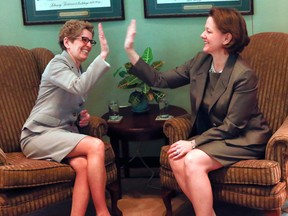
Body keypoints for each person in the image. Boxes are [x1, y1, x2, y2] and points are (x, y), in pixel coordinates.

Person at [124, 7, 271, 216]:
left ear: (227, 37)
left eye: (209, 31)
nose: (202, 35)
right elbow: (161, 79)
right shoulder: (200, 61)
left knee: (192, 160)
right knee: (175, 156)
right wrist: (130, 51)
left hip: (243, 137)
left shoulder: (243, 75)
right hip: (216, 136)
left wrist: (193, 142)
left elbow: (232, 126)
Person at [20, 20, 111, 216]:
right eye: (83, 39)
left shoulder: (77, 69)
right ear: (67, 42)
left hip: (59, 134)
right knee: (96, 145)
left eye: (91, 41)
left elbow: (66, 103)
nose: (88, 45)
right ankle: (103, 212)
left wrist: (79, 118)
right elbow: (78, 87)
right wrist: (102, 55)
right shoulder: (57, 64)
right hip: (37, 136)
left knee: (84, 165)